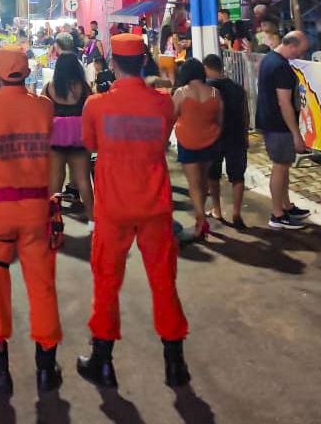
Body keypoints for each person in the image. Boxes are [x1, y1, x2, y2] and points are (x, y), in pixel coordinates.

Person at [77, 33, 190, 389]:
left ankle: (103, 361)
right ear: (144, 62)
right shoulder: (163, 103)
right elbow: (163, 137)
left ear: (112, 64)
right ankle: (175, 364)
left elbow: (91, 145)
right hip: (155, 206)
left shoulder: (95, 105)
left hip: (113, 208)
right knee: (164, 283)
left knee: (106, 283)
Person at [0, 44, 63, 394]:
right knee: (42, 287)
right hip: (37, 209)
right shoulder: (44, 107)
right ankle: (46, 370)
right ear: (27, 72)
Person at [256, 31, 311, 229]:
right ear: (293, 46)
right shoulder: (281, 67)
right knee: (280, 167)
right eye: (301, 51)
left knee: (284, 165)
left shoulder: (269, 58)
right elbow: (285, 103)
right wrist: (296, 134)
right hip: (278, 125)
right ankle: (278, 214)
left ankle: (286, 206)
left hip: (268, 121)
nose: (301, 56)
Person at [173, 59, 223, 240]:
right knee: (203, 182)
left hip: (188, 142)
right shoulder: (215, 93)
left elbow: (171, 117)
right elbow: (220, 119)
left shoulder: (181, 93)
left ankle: (200, 221)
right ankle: (200, 217)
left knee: (194, 184)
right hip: (211, 141)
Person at [43, 53, 94, 228]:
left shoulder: (50, 87)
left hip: (55, 138)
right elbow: (92, 110)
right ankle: (93, 220)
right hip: (80, 138)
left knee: (55, 179)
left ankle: (52, 220)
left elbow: (42, 110)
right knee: (83, 179)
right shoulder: (84, 88)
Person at [203, 54, 249, 229]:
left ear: (207, 68)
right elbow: (245, 113)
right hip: (236, 136)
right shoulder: (237, 88)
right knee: (237, 176)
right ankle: (236, 212)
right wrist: (245, 135)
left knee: (213, 175)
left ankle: (217, 210)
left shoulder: (208, 88)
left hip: (215, 137)